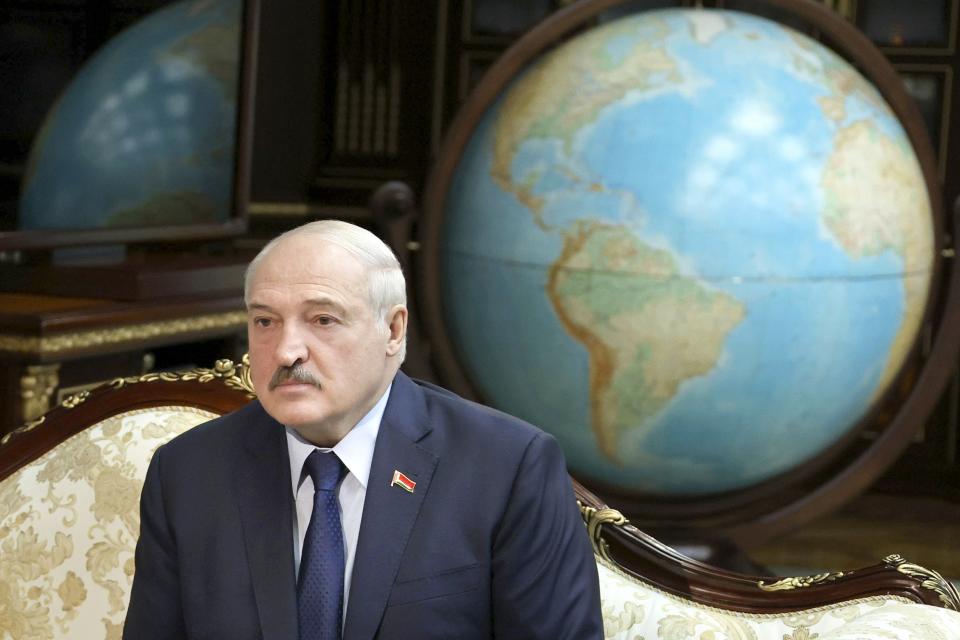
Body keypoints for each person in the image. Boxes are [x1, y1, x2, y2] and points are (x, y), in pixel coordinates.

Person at [123, 220, 603, 639]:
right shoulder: (187, 472)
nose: (287, 351)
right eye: (265, 321)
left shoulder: (507, 468)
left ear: (393, 331)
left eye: (323, 320)